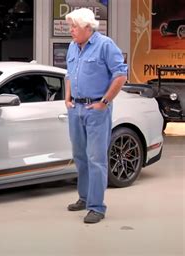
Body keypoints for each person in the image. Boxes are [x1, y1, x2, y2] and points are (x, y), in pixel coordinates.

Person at [64, 8, 128, 224]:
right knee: (80, 157)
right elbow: (69, 75)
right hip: (76, 110)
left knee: (96, 159)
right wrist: (68, 99)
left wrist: (104, 102)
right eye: (70, 26)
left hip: (96, 111)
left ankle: (97, 207)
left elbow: (120, 75)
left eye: (74, 27)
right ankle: (84, 198)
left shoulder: (105, 45)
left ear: (88, 28)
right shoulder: (73, 47)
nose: (71, 30)